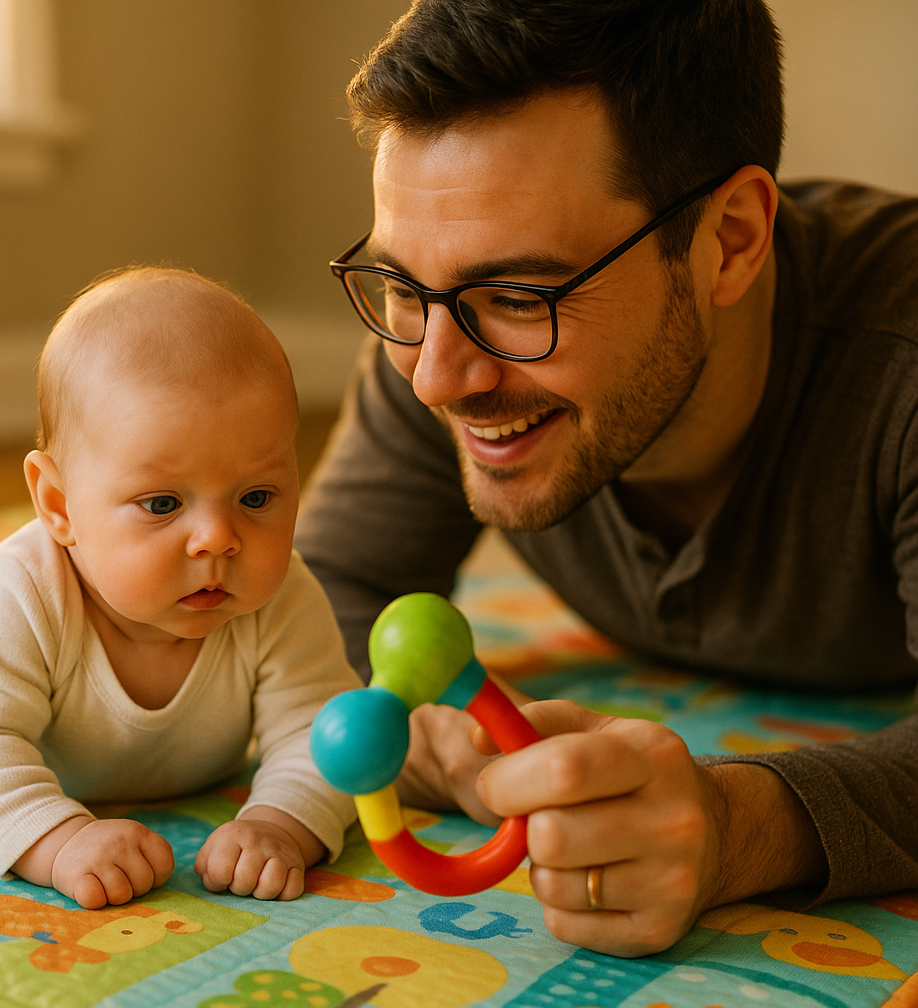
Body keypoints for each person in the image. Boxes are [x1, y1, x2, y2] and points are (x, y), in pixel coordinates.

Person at [295, 0, 918, 957]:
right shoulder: (435, 342)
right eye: (401, 287)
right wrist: (441, 742)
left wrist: (743, 824)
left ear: (732, 240)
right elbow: (318, 593)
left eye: (521, 297)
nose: (435, 378)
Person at [0, 267, 359, 910]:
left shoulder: (282, 600)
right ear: (58, 505)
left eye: (256, 497)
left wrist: (280, 824)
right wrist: (60, 842)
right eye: (163, 503)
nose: (217, 539)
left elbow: (322, 733)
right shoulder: (22, 596)